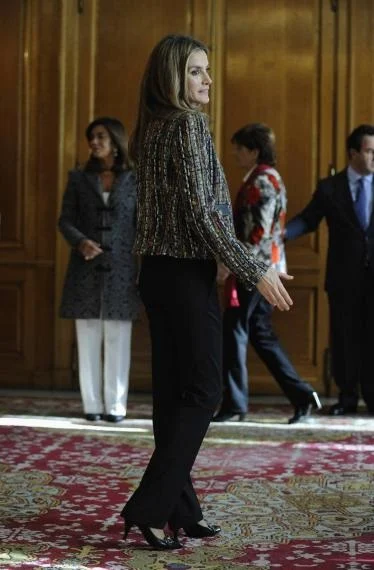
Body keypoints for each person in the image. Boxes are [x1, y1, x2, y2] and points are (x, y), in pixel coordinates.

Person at [120, 34, 293, 551]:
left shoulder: (150, 129)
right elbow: (203, 213)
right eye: (197, 71)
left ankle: (180, 509)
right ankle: (150, 507)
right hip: (183, 276)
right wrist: (252, 267)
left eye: (207, 70)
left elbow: (186, 214)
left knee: (174, 396)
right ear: (173, 77)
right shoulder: (189, 125)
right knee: (203, 392)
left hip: (157, 274)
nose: (208, 80)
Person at [213, 124, 322, 424]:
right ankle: (302, 396)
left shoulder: (261, 182)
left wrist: (232, 264)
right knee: (260, 334)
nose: (235, 154)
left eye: (239, 149)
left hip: (255, 271)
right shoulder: (264, 178)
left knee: (234, 330)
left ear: (254, 151)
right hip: (265, 268)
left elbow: (258, 234)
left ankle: (235, 403)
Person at [286, 124, 374, 416]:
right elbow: (308, 220)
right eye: (370, 151)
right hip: (343, 279)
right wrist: (279, 233)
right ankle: (347, 397)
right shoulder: (330, 188)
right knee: (345, 339)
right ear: (353, 153)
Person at [58, 117, 140, 423]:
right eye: (91, 137)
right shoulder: (78, 178)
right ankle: (91, 405)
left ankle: (115, 407)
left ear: (115, 142)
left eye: (100, 136)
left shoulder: (134, 179)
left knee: (118, 337)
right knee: (88, 335)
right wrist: (80, 242)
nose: (94, 142)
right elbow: (65, 220)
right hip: (85, 267)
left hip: (122, 269)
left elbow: (142, 224)